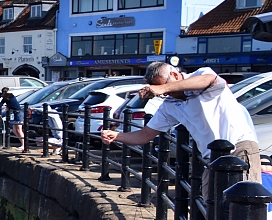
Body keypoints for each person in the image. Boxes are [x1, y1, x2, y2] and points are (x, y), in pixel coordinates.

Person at [100, 62, 260, 194]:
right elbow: (145, 135)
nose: (168, 94)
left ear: (175, 74)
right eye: (162, 92)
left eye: (166, 87)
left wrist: (162, 89)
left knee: (244, 200)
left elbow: (210, 80)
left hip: (239, 145)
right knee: (211, 203)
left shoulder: (201, 75)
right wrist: (116, 136)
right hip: (211, 157)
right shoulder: (169, 105)